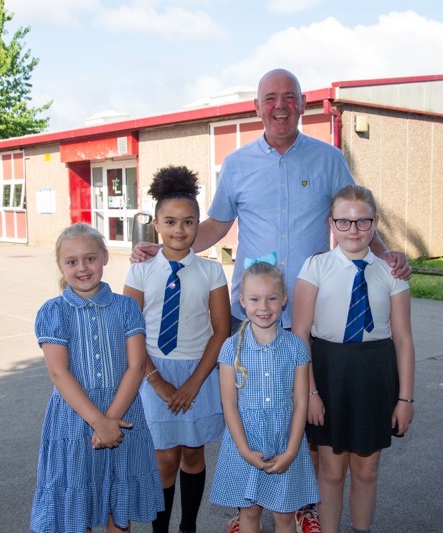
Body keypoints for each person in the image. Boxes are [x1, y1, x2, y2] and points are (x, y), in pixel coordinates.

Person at [134, 67, 412, 532]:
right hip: (255, 310)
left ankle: (299, 506)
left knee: (303, 409)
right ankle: (250, 508)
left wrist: (389, 257)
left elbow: (354, 216)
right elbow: (217, 226)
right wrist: (163, 248)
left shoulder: (328, 159)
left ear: (303, 104)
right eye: (270, 98)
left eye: (289, 97)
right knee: (255, 408)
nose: (279, 106)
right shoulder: (239, 164)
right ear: (257, 107)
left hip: (308, 311)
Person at [291, 185, 416, 533]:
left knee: (366, 470)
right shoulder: (315, 267)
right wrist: (311, 392)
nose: (354, 230)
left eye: (362, 222)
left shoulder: (391, 272)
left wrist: (405, 398)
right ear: (331, 224)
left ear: (375, 223)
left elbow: (403, 339)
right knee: (331, 472)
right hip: (329, 373)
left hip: (375, 375)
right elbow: (300, 333)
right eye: (344, 222)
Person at [30, 223, 164, 533]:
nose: (82, 268)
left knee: (118, 510)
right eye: (72, 261)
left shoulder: (127, 307)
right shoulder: (53, 312)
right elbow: (59, 372)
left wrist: (111, 420)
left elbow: (135, 365)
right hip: (75, 418)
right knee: (78, 509)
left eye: (90, 258)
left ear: (104, 257)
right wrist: (98, 422)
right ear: (61, 265)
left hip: (122, 413)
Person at [124, 166, 231, 533]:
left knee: (193, 453)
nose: (178, 230)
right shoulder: (139, 272)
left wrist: (194, 384)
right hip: (152, 371)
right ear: (155, 224)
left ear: (198, 226)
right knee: (165, 458)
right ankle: (160, 529)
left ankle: (188, 526)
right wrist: (155, 381)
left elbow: (220, 331)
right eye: (170, 222)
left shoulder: (211, 272)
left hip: (199, 373)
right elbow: (131, 330)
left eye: (188, 222)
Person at [209, 259, 320, 533]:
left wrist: (292, 450)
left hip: (285, 440)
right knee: (249, 514)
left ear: (283, 299)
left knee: (284, 516)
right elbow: (229, 405)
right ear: (242, 300)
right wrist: (245, 450)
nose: (264, 307)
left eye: (271, 298)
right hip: (243, 442)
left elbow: (301, 402)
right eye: (255, 299)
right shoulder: (230, 348)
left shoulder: (296, 346)